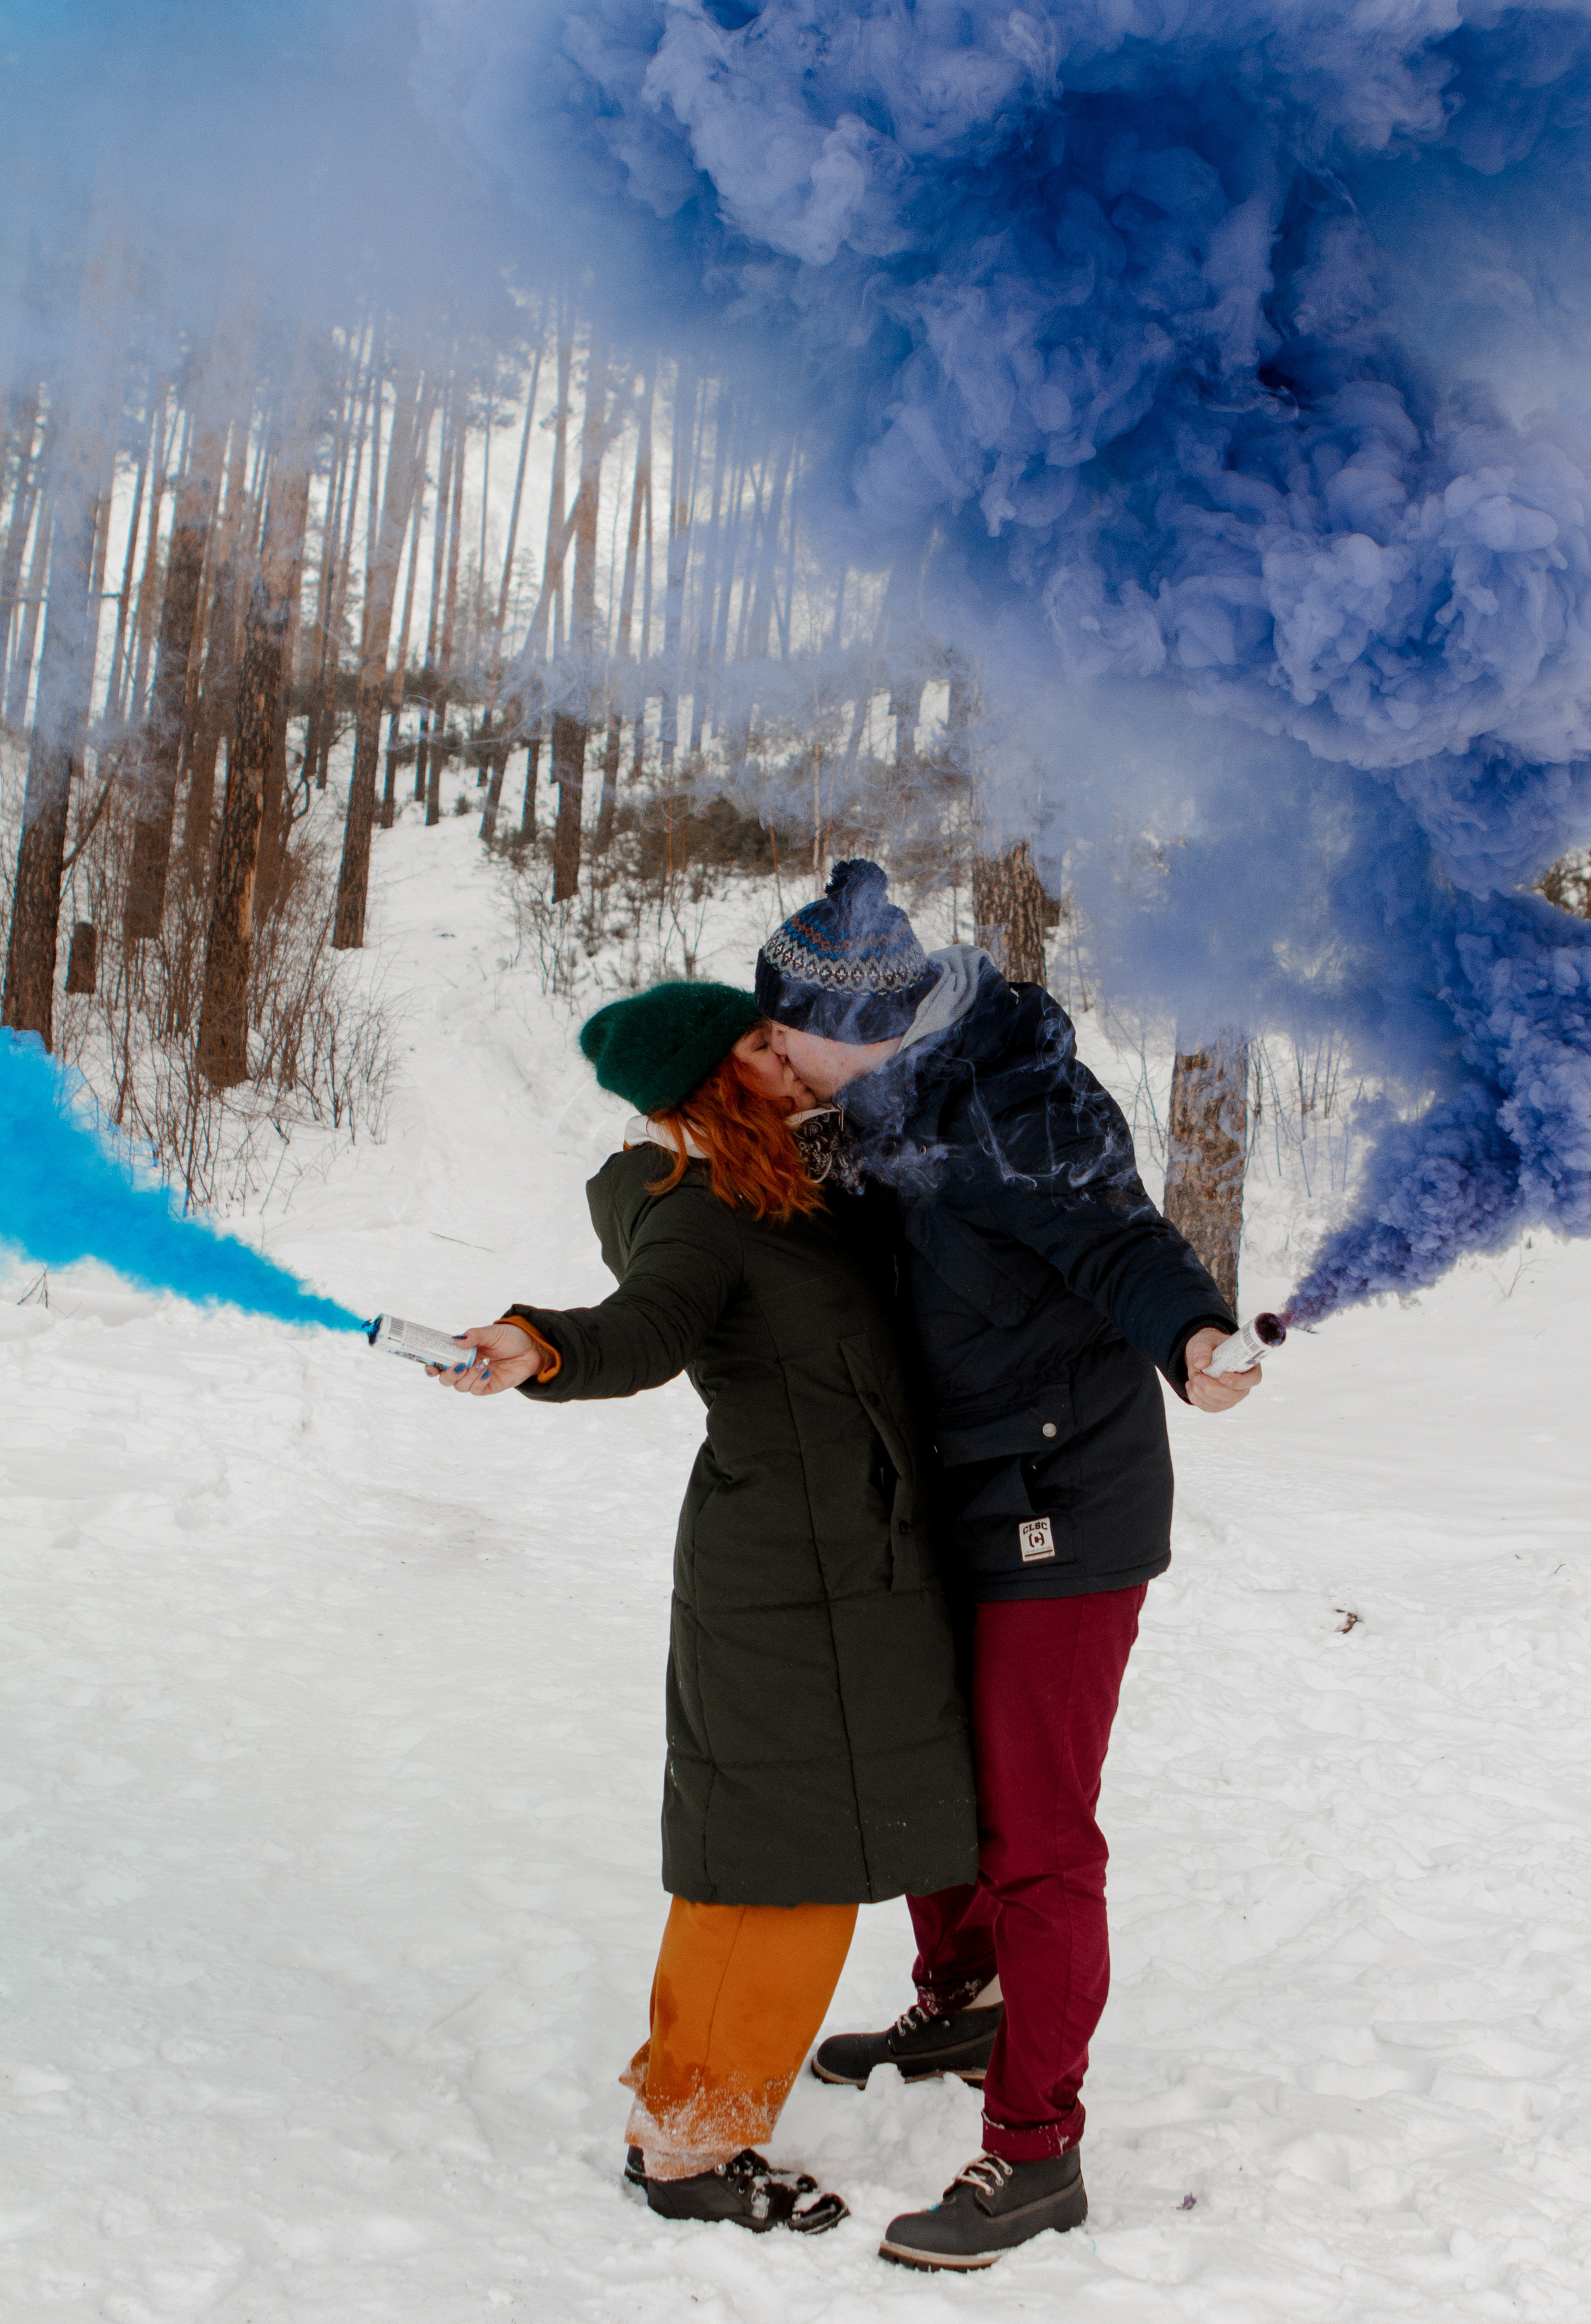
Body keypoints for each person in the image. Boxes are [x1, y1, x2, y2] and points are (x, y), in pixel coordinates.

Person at [753, 861, 1261, 2272]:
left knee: (1036, 1833)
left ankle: (1037, 2147)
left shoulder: (1012, 1101)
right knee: (932, 1768)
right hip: (953, 1487)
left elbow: (1117, 1240)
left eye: (775, 1034)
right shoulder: (860, 1113)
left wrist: (1193, 1338)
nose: (769, 1057)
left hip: (1062, 1499)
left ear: (841, 1024)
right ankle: (958, 1989)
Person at [431, 978, 979, 2238]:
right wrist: (538, 1344)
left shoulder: (765, 1178)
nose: (780, 1053)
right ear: (708, 1076)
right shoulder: (693, 1206)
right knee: (778, 1869)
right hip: (789, 1575)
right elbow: (643, 1327)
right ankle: (688, 2142)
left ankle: (687, 2101)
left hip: (841, 1557)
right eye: (753, 1041)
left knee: (783, 1858)